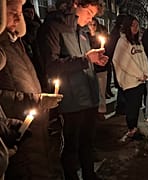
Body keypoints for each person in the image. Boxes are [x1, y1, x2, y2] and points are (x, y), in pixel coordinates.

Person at [38, 0, 108, 179]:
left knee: (88, 143)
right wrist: (86, 60)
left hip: (89, 97)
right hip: (71, 99)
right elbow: (51, 66)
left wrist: (95, 61)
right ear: (77, 3)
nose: (90, 18)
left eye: (93, 15)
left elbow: (84, 61)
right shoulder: (54, 27)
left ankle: (89, 174)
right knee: (71, 146)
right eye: (89, 12)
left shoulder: (81, 31)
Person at [0, 0, 63, 179]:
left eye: (20, 11)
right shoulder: (2, 46)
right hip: (14, 133)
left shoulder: (16, 42)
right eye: (12, 11)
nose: (18, 16)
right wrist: (36, 100)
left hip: (31, 129)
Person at [113, 15, 148, 140]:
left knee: (136, 105)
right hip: (130, 80)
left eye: (137, 25)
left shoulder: (138, 42)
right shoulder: (123, 42)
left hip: (140, 80)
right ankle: (131, 129)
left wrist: (145, 73)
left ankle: (134, 127)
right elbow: (123, 62)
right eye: (133, 25)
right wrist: (139, 74)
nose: (135, 28)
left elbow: (143, 59)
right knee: (131, 107)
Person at [106, 14, 127, 116]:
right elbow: (112, 48)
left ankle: (121, 106)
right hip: (119, 61)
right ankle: (121, 107)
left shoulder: (117, 33)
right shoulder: (116, 34)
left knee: (122, 85)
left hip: (121, 61)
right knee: (121, 84)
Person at [88, 18, 108, 114]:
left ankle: (101, 110)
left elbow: (105, 50)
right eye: (90, 24)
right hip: (89, 68)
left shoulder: (99, 37)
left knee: (101, 90)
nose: (92, 26)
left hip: (100, 69)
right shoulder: (84, 37)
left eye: (94, 24)